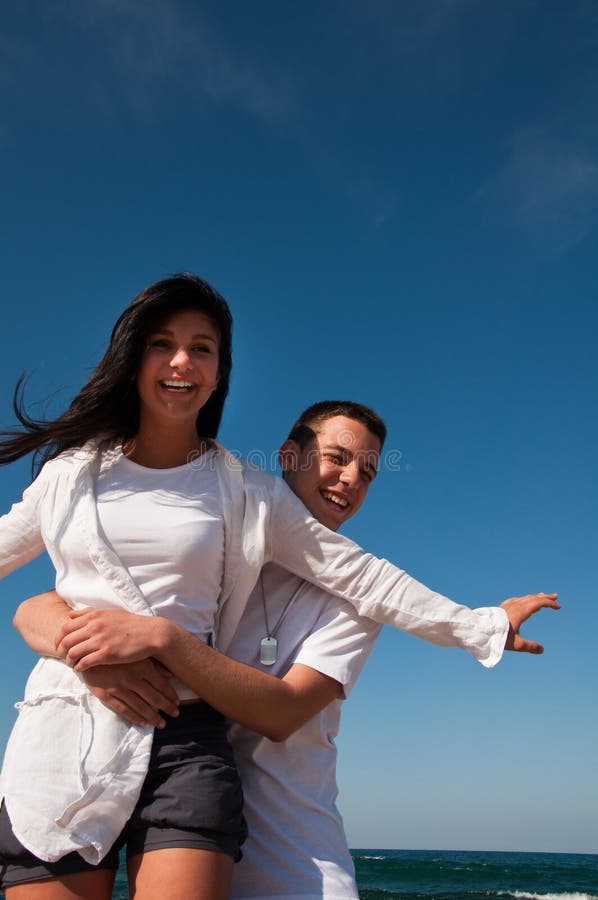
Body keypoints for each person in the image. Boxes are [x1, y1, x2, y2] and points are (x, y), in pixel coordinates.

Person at [13, 398, 559, 899]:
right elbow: (43, 604)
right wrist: (86, 659)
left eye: (367, 473)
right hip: (185, 819)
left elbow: (281, 709)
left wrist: (479, 625)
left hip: (292, 865)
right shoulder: (214, 550)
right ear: (288, 455)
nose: (350, 480)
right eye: (336, 458)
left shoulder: (355, 606)